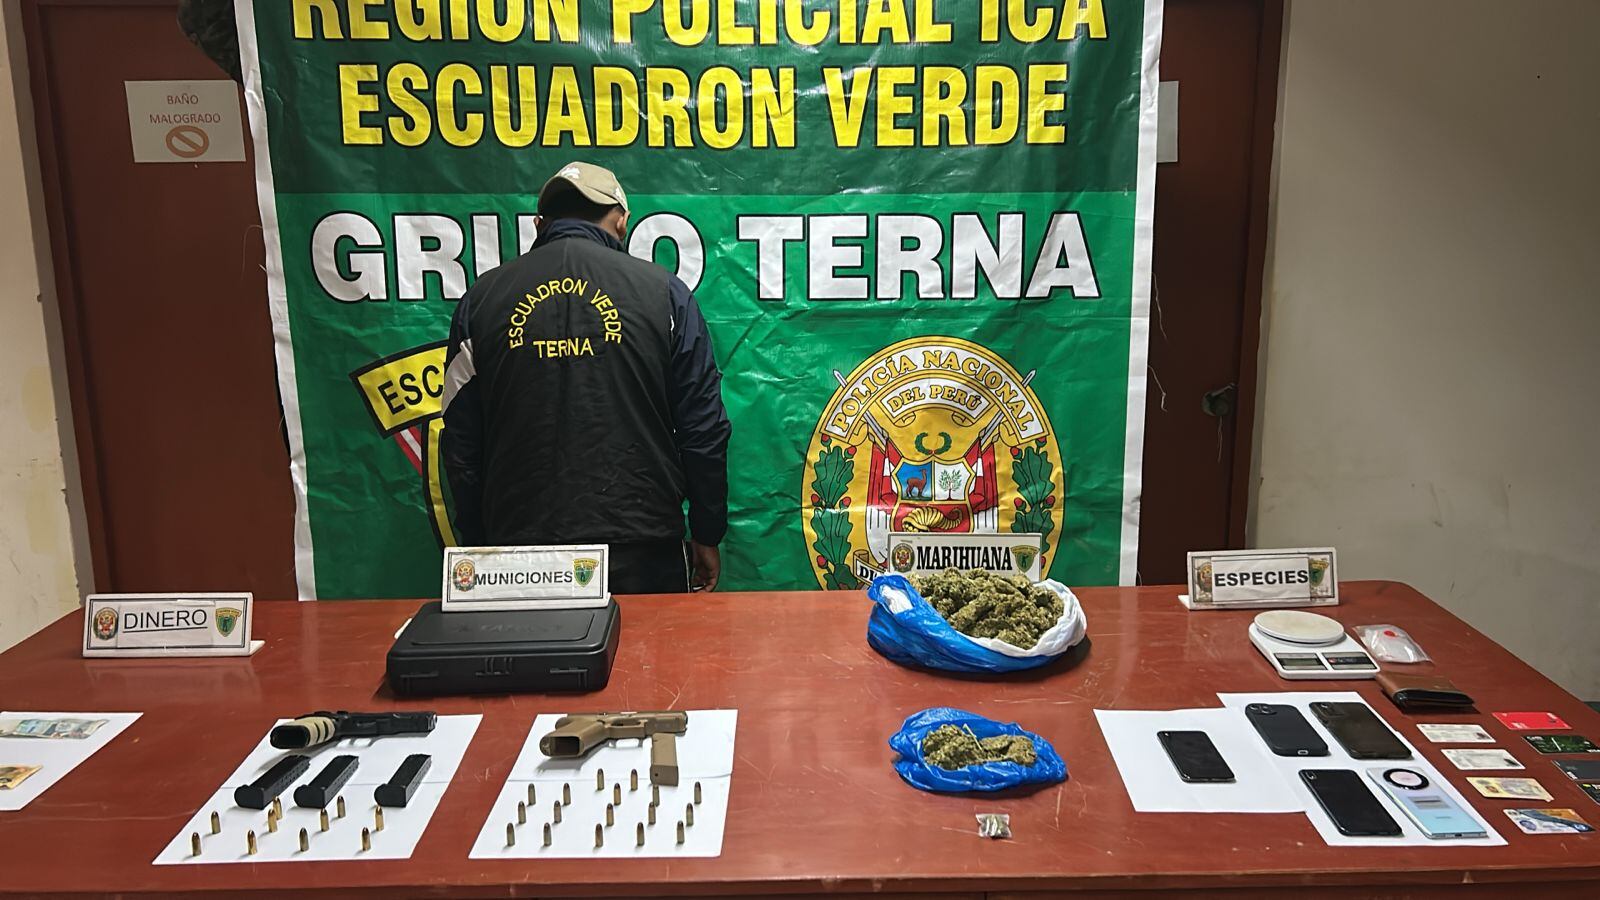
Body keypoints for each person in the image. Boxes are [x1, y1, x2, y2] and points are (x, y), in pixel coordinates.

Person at [440, 162, 730, 593]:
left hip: (517, 551)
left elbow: (461, 443)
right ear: (621, 220)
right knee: (646, 643)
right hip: (641, 545)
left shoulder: (481, 300)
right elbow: (703, 428)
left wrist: (479, 546)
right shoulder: (664, 294)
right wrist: (706, 531)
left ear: (540, 224)